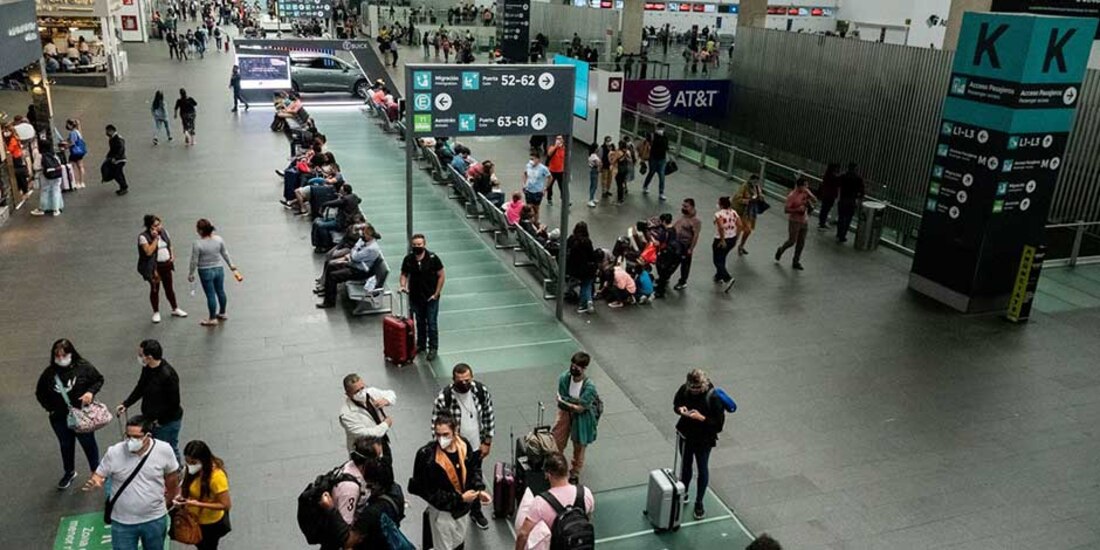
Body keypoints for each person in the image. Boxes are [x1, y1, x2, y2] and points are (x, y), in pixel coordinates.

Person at [82, 415, 180, 550]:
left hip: (154, 519)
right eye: (128, 436)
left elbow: (172, 477)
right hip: (123, 522)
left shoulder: (164, 450)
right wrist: (96, 480)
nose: (131, 441)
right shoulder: (114, 452)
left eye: (137, 437)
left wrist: (169, 500)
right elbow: (99, 474)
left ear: (148, 436)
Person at [430, 363, 496, 531]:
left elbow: (488, 415)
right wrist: (444, 449)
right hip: (454, 451)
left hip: (475, 447)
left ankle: (476, 511)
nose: (464, 384)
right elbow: (435, 427)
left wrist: (487, 442)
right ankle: (456, 508)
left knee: (474, 477)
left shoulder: (480, 391)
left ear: (471, 377)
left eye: (467, 380)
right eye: (460, 381)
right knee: (454, 480)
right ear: (453, 380)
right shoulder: (444, 398)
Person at [408, 415, 489, 550]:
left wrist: (478, 490)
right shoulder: (427, 457)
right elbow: (429, 492)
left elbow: (473, 469)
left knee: (458, 541)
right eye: (438, 435)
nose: (441, 439)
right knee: (443, 546)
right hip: (443, 513)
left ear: (455, 431)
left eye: (445, 434)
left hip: (463, 510)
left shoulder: (463, 445)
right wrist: (460, 498)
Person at [35, 339, 104, 489]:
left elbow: (98, 380)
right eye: (57, 356)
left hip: (82, 415)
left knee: (88, 443)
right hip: (59, 418)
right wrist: (50, 408)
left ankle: (95, 470)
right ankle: (69, 472)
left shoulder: (84, 367)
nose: (61, 359)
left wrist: (90, 392)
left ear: (71, 353)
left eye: (64, 355)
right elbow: (40, 393)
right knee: (65, 445)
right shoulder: (49, 373)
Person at [117, 340, 184, 462]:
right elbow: (141, 387)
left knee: (169, 449)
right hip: (152, 419)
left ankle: (176, 472)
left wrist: (159, 421)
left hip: (166, 422)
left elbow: (174, 403)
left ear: (149, 357)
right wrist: (126, 404)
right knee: (154, 448)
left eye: (141, 355)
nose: (139, 357)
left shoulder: (168, 375)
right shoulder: (148, 368)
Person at [513, 452, 595, 550]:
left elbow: (523, 534)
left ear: (547, 475)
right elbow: (588, 518)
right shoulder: (585, 493)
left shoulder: (540, 502)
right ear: (567, 472)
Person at [673, 369, 725, 520]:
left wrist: (702, 418)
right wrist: (680, 409)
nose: (694, 391)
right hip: (686, 434)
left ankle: (699, 502)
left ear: (704, 385)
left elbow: (719, 425)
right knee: (685, 465)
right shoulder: (685, 389)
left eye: (697, 388)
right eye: (691, 388)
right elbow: (676, 402)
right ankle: (685, 492)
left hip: (703, 439)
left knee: (702, 469)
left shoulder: (713, 397)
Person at [175, 440, 232, 549]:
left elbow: (225, 505)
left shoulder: (217, 477)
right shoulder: (192, 471)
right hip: (194, 519)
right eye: (187, 461)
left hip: (210, 523)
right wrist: (181, 498)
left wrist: (198, 504)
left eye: (193, 462)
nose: (190, 465)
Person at [552, 352, 599, 483]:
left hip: (582, 418)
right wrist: (573, 403)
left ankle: (574, 473)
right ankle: (558, 467)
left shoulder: (589, 387)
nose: (574, 367)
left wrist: (567, 402)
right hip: (564, 413)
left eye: (578, 366)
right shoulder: (564, 378)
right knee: (557, 440)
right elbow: (563, 397)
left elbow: (581, 408)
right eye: (573, 364)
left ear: (584, 368)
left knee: (579, 446)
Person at [400, 234, 445, 361]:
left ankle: (433, 348)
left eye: (419, 245)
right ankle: (421, 344)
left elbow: (441, 275)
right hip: (415, 297)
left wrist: (436, 294)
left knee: (431, 323)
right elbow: (404, 274)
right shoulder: (408, 259)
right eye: (414, 245)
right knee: (419, 322)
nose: (417, 247)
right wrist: (403, 285)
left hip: (431, 297)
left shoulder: (433, 258)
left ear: (424, 245)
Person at [187, 219, 238, 327]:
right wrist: (231, 265)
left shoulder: (197, 244)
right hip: (219, 269)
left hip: (205, 270)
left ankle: (212, 318)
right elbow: (225, 253)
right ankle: (223, 312)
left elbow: (194, 260)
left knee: (210, 294)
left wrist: (191, 273)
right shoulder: (218, 239)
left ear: (200, 231)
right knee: (220, 291)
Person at [317, 223, 382, 308]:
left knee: (333, 276)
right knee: (330, 266)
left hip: (359, 272)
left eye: (364, 234)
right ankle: (327, 291)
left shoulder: (371, 249)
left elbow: (355, 257)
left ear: (369, 236)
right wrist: (355, 250)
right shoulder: (365, 242)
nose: (362, 235)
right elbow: (354, 251)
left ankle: (330, 302)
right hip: (354, 265)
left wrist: (354, 250)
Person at [138, 215, 188, 323]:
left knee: (169, 287)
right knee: (155, 288)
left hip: (166, 264)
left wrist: (172, 255)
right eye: (156, 225)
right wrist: (155, 238)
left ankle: (175, 308)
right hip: (154, 267)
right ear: (150, 227)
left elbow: (169, 245)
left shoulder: (164, 232)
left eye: (160, 224)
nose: (159, 227)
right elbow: (148, 252)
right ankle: (156, 312)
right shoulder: (143, 237)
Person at [338, 373, 396, 453]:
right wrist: (386, 424)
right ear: (348, 394)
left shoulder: (370, 393)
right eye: (357, 391)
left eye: (362, 388)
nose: (361, 393)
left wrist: (387, 400)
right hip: (365, 452)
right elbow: (365, 434)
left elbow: (391, 394)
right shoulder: (346, 415)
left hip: (382, 442)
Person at [775, 178, 816, 270]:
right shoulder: (792, 196)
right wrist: (797, 209)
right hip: (794, 221)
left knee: (801, 242)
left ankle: (796, 261)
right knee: (792, 241)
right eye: (804, 186)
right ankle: (781, 250)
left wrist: (809, 194)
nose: (806, 187)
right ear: (799, 186)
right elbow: (786, 209)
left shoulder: (806, 193)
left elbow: (815, 200)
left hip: (804, 220)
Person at [566, 222, 598, 313]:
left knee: (586, 283)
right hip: (585, 269)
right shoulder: (586, 242)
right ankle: (584, 303)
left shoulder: (571, 239)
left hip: (573, 268)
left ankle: (588, 300)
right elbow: (591, 256)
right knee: (587, 284)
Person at [672, 198, 702, 291]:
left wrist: (691, 249)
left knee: (685, 264)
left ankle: (683, 281)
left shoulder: (696, 221)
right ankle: (665, 277)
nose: (683, 208)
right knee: (672, 262)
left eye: (686, 206)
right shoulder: (683, 216)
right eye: (683, 206)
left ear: (692, 207)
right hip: (676, 243)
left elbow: (696, 235)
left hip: (685, 245)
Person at [31, 140, 65, 217]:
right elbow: (59, 163)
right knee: (56, 190)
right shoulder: (53, 154)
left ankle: (43, 209)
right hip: (56, 174)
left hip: (45, 176)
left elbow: (35, 167)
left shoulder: (40, 155)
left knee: (45, 191)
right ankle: (56, 209)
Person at [732, 175, 763, 256]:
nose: (756, 183)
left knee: (748, 230)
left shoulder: (756, 188)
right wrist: (748, 200)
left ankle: (741, 246)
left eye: (757, 182)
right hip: (742, 212)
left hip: (750, 212)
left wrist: (760, 198)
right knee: (738, 231)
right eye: (754, 181)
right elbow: (738, 198)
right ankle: (730, 244)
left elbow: (760, 195)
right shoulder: (744, 187)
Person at [712, 196, 740, 285]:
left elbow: (720, 227)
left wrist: (722, 239)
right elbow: (740, 224)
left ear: (721, 204)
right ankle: (718, 276)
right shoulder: (734, 212)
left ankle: (727, 278)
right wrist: (736, 237)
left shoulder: (719, 214)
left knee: (717, 260)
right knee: (722, 257)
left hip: (721, 239)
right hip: (732, 238)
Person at [835, 163, 865, 243]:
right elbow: (862, 192)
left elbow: (836, 183)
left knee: (841, 217)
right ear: (855, 169)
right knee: (848, 219)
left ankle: (839, 233)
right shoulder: (858, 179)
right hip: (851, 200)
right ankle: (843, 235)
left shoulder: (843, 176)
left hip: (842, 199)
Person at [642, 122, 670, 201]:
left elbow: (665, 146)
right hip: (653, 158)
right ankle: (645, 186)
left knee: (662, 176)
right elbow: (648, 142)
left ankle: (661, 193)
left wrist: (668, 148)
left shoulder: (665, 136)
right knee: (651, 172)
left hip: (662, 158)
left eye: (662, 128)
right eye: (659, 128)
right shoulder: (653, 135)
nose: (661, 130)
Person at [522, 152, 550, 224]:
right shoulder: (528, 166)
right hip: (528, 190)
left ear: (538, 159)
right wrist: (524, 184)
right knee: (529, 208)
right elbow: (525, 174)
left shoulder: (543, 168)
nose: (531, 161)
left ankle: (536, 221)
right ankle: (530, 222)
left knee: (536, 208)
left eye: (533, 159)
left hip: (537, 191)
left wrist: (545, 188)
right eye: (530, 159)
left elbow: (549, 177)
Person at [103, 124, 129, 195]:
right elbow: (112, 149)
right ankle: (123, 187)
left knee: (117, 174)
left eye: (107, 131)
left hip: (120, 160)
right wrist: (108, 156)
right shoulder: (112, 138)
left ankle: (124, 187)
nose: (106, 133)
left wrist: (116, 158)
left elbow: (121, 149)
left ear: (111, 131)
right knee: (118, 174)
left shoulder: (118, 138)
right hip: (116, 159)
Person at [63, 118, 87, 188]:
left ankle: (76, 182)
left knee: (72, 167)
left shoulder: (72, 133)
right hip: (80, 151)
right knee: (80, 166)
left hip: (74, 152)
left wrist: (65, 147)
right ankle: (82, 182)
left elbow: (72, 143)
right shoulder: (77, 131)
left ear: (70, 125)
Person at [817, 163, 840, 230]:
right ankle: (822, 223)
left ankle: (822, 222)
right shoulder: (833, 177)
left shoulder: (827, 175)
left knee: (824, 209)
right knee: (826, 209)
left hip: (826, 194)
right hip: (830, 195)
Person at [545, 135, 566, 206]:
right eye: (557, 139)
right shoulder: (552, 148)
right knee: (550, 185)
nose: (559, 140)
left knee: (562, 186)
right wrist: (556, 146)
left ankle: (564, 199)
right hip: (552, 170)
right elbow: (549, 153)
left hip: (561, 171)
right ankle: (549, 199)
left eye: (560, 139)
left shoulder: (564, 149)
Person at [586, 143, 601, 207]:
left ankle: (593, 197)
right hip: (594, 171)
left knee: (594, 185)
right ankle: (590, 199)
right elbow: (597, 164)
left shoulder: (592, 155)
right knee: (594, 185)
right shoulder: (594, 156)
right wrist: (599, 165)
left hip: (593, 170)